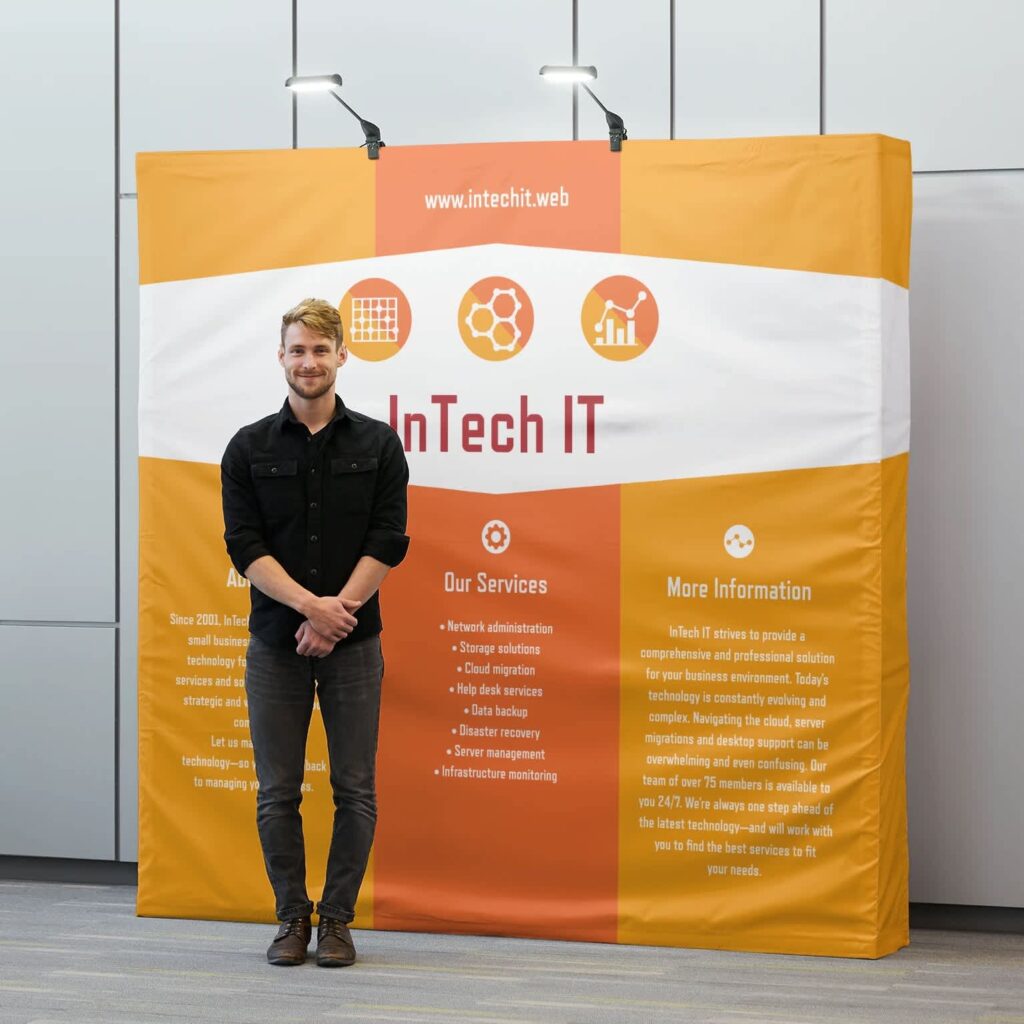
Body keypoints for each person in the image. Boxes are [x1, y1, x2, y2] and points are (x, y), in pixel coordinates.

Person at [220, 298, 409, 967]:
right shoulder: (246, 448)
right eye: (297, 350)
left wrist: (338, 617)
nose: (309, 362)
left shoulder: (379, 445)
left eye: (320, 351)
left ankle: (336, 921)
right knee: (278, 790)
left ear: (341, 357)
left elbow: (390, 539)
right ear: (282, 358)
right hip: (276, 645)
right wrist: (310, 608)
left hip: (356, 646)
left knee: (354, 787)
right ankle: (290, 920)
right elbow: (243, 546)